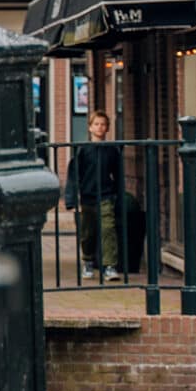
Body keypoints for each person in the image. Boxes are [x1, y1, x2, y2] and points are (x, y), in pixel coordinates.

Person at [63, 111, 124, 281]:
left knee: (107, 229)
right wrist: (71, 199)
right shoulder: (82, 150)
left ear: (107, 128)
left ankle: (110, 266)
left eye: (103, 125)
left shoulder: (112, 151)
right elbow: (73, 176)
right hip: (87, 196)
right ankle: (88, 261)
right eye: (96, 124)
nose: (100, 127)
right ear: (90, 128)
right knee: (87, 232)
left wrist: (118, 196)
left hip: (106, 195)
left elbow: (118, 175)